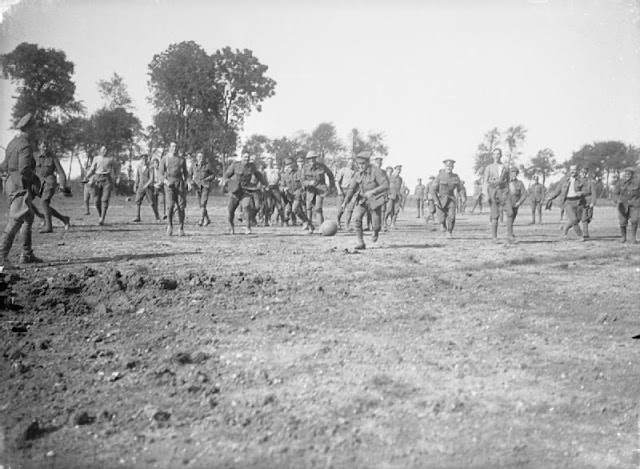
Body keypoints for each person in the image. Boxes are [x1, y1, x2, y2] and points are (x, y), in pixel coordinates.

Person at [1, 113, 42, 267]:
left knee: (28, 217)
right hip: (19, 183)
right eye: (35, 128)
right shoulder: (25, 145)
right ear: (29, 128)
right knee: (17, 219)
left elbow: (4, 165)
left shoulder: (13, 143)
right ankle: (2, 255)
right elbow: (24, 169)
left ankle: (26, 254)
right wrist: (35, 179)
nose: (36, 131)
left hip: (11, 182)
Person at [342, 151, 389, 250]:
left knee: (376, 224)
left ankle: (375, 231)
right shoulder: (358, 174)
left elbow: (385, 185)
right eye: (359, 164)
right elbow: (351, 189)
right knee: (356, 218)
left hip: (376, 199)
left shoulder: (376, 171)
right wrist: (345, 201)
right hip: (363, 199)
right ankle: (360, 242)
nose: (361, 166)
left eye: (363, 164)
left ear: (368, 162)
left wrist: (373, 191)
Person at [221, 150, 267, 234]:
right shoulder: (235, 165)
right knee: (231, 211)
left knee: (246, 206)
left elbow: (258, 175)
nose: (247, 159)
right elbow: (227, 174)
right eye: (245, 157)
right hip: (235, 190)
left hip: (246, 189)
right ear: (241, 157)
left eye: (248, 157)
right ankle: (231, 226)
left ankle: (248, 227)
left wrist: (265, 184)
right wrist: (224, 179)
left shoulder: (251, 166)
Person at [543, 164, 586, 242]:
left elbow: (586, 191)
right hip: (568, 202)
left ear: (577, 171)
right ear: (569, 171)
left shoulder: (581, 180)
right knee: (573, 220)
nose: (572, 171)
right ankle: (580, 236)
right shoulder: (564, 180)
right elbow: (557, 191)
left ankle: (565, 229)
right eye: (571, 170)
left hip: (579, 202)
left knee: (577, 219)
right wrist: (550, 198)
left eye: (574, 169)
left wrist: (581, 193)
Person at [35, 141, 71, 233]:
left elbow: (61, 172)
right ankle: (64, 219)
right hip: (39, 184)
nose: (45, 148)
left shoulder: (53, 157)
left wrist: (62, 185)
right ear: (39, 147)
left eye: (46, 146)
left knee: (44, 202)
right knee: (44, 204)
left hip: (50, 183)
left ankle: (48, 227)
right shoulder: (34, 156)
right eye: (43, 146)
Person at [159, 142, 191, 236]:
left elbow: (186, 173)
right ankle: (170, 226)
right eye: (173, 146)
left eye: (176, 146)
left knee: (181, 206)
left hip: (180, 183)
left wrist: (188, 182)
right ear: (169, 148)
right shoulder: (165, 159)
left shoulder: (181, 159)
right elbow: (160, 174)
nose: (175, 148)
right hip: (169, 184)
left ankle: (181, 228)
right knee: (170, 206)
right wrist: (165, 181)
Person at [483, 148, 513, 242]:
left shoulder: (506, 167)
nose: (496, 156)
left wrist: (510, 192)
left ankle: (510, 236)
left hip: (504, 192)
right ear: (492, 155)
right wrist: (486, 194)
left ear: (501, 155)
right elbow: (485, 182)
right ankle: (494, 237)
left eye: (498, 154)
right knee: (495, 215)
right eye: (495, 154)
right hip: (493, 192)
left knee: (510, 212)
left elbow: (509, 181)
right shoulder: (489, 167)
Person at [430, 159, 465, 238]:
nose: (449, 167)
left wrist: (463, 196)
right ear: (444, 166)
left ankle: (449, 232)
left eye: (451, 166)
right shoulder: (439, 176)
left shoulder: (455, 176)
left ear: (453, 167)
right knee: (441, 218)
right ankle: (442, 224)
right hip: (441, 199)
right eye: (447, 166)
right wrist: (436, 200)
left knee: (452, 217)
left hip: (451, 199)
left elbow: (460, 188)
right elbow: (432, 190)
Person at [85, 145, 119, 226]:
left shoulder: (110, 159)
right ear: (100, 151)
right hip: (97, 178)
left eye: (106, 149)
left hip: (107, 179)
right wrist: (87, 176)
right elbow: (92, 169)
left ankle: (102, 219)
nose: (105, 151)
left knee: (105, 199)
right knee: (96, 201)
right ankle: (100, 215)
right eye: (103, 149)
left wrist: (118, 177)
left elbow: (117, 169)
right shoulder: (96, 158)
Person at [301, 151, 335, 227]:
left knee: (318, 208)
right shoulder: (305, 168)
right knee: (309, 208)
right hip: (310, 190)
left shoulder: (322, 166)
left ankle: (321, 227)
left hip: (321, 189)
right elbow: (302, 181)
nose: (312, 160)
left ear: (315, 158)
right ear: (308, 159)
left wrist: (332, 186)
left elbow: (330, 175)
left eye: (313, 158)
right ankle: (310, 227)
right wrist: (309, 183)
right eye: (310, 159)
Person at [611, 167, 639, 244]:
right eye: (626, 173)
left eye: (629, 174)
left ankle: (633, 238)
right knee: (622, 222)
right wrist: (617, 200)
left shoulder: (637, 183)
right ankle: (623, 237)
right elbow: (614, 194)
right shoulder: (620, 183)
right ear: (624, 174)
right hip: (623, 206)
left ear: (632, 175)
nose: (627, 175)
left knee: (635, 221)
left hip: (634, 206)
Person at [131, 153, 161, 223]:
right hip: (141, 186)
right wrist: (135, 185)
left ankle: (157, 217)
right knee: (137, 201)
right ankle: (137, 217)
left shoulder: (150, 167)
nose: (144, 160)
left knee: (152, 202)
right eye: (142, 159)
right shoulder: (139, 167)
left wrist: (147, 185)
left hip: (148, 187)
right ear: (140, 160)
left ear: (147, 159)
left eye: (145, 159)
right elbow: (137, 177)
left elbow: (151, 178)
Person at [190, 151, 215, 227]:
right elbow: (189, 175)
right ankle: (207, 220)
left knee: (203, 203)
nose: (201, 158)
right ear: (197, 158)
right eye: (199, 156)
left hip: (205, 186)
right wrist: (190, 181)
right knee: (201, 205)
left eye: (202, 156)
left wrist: (207, 179)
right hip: (197, 187)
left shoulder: (207, 165)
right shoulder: (193, 165)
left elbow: (213, 175)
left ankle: (201, 220)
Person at [506, 167, 528, 242]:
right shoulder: (506, 183)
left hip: (516, 204)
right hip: (507, 202)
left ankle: (510, 232)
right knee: (510, 215)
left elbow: (524, 194)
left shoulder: (520, 183)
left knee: (512, 219)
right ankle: (510, 235)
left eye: (515, 173)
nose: (513, 174)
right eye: (512, 172)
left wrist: (519, 202)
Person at [262, 155, 283, 226]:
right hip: (267, 189)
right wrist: (264, 187)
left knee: (279, 204)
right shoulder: (264, 171)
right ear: (266, 163)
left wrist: (280, 185)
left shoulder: (276, 170)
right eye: (268, 162)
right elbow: (262, 181)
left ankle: (283, 221)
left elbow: (280, 179)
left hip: (275, 188)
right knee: (268, 205)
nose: (270, 163)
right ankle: (266, 221)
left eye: (271, 162)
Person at [336, 157, 356, 229]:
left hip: (351, 192)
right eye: (350, 162)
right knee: (341, 209)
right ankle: (338, 222)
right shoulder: (343, 170)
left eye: (353, 163)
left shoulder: (356, 172)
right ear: (347, 163)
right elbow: (337, 181)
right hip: (343, 191)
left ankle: (347, 225)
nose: (351, 164)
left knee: (350, 209)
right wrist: (339, 190)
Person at [579, 167, 597, 239]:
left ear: (587, 173)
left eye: (584, 173)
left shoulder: (590, 182)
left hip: (589, 201)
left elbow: (594, 193)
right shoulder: (578, 181)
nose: (583, 174)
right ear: (580, 173)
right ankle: (585, 234)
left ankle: (586, 224)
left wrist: (593, 202)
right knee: (584, 218)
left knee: (589, 217)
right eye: (582, 172)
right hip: (581, 201)